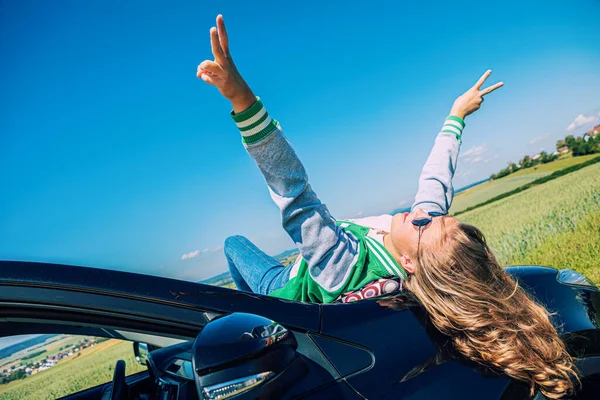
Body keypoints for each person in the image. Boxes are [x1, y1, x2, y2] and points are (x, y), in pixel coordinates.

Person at [197, 15, 579, 398]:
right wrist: (457, 115)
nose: (422, 214)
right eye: (439, 217)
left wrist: (241, 99)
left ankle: (238, 323)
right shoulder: (421, 248)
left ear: (410, 265)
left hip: (286, 287)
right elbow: (437, 179)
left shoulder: (343, 268)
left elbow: (292, 188)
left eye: (425, 226)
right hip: (314, 273)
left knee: (234, 246)